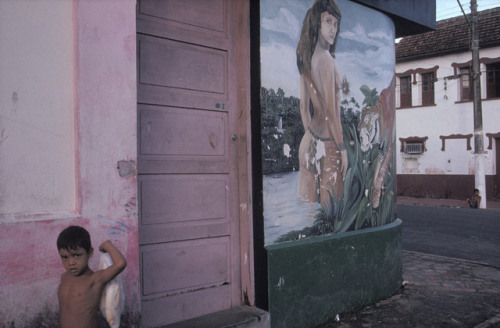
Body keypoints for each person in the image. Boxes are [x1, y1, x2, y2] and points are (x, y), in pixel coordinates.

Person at [296, 0, 348, 204]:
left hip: (308, 142)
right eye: (328, 22)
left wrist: (311, 140)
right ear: (316, 23)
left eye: (335, 24)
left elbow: (303, 107)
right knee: (331, 216)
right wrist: (342, 148)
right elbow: (332, 112)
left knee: (309, 215)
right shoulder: (326, 60)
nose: (333, 29)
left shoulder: (306, 59)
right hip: (329, 145)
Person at [57, 225, 127, 328]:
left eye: (77, 255)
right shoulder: (64, 277)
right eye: (64, 257)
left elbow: (120, 263)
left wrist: (107, 245)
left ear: (90, 252)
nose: (70, 262)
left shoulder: (94, 280)